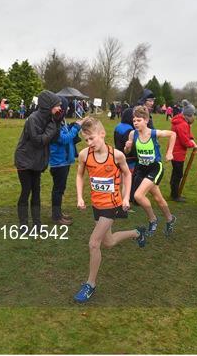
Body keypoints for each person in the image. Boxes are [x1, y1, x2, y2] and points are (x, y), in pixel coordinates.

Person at [74, 117, 147, 303]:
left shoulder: (117, 155)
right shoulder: (84, 155)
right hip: (96, 204)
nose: (89, 143)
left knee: (94, 243)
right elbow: (79, 175)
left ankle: (90, 284)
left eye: (92, 138)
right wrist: (80, 197)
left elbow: (127, 175)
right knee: (109, 242)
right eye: (86, 140)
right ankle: (137, 233)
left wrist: (125, 196)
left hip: (112, 204)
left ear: (102, 134)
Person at [124, 105, 177, 236]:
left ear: (146, 120)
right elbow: (127, 151)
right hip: (141, 168)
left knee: (138, 195)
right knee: (158, 198)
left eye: (139, 120)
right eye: (134, 120)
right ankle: (170, 219)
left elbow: (173, 134)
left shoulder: (153, 133)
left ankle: (153, 219)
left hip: (155, 167)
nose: (135, 123)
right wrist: (127, 147)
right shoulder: (132, 134)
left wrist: (169, 152)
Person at [14, 90, 62, 229]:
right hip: (25, 160)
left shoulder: (50, 118)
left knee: (36, 191)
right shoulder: (33, 119)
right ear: (48, 106)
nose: (60, 108)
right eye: (57, 105)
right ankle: (23, 225)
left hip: (37, 160)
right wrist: (54, 125)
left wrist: (57, 123)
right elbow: (37, 140)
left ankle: (37, 224)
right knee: (26, 191)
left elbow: (53, 138)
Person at [49, 96, 84, 225]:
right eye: (65, 106)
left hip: (64, 160)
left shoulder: (60, 121)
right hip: (59, 162)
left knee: (60, 188)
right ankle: (56, 217)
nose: (68, 108)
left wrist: (73, 125)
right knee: (58, 189)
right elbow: (63, 139)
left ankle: (58, 213)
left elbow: (65, 134)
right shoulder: (53, 122)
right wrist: (76, 128)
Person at [169, 103, 197, 201]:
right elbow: (184, 140)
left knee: (175, 173)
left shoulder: (182, 121)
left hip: (175, 152)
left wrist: (192, 138)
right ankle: (175, 195)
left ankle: (173, 191)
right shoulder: (182, 124)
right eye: (192, 115)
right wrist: (192, 144)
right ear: (188, 115)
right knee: (178, 174)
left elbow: (188, 134)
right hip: (177, 153)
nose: (193, 117)